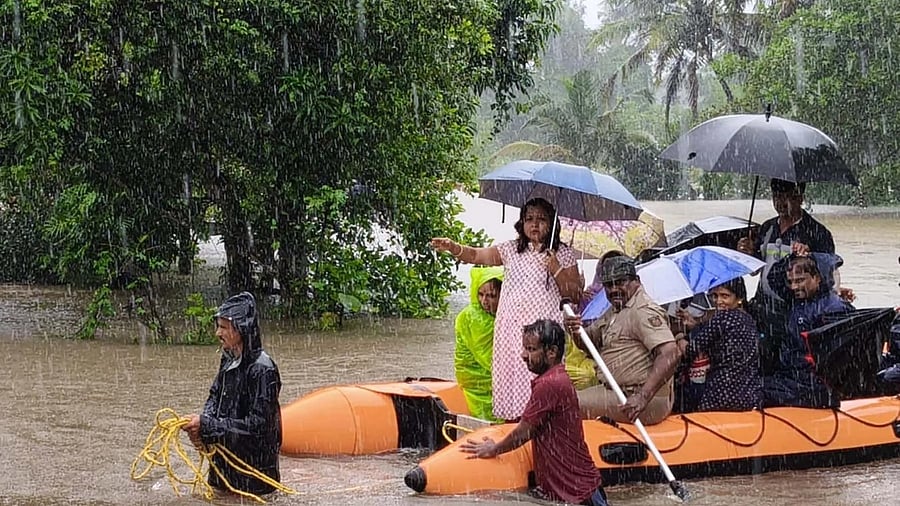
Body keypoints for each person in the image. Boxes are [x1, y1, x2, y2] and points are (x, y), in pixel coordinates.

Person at [432, 197, 582, 421]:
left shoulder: (563, 254)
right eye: (529, 219)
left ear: (552, 224)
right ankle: (513, 426)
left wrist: (556, 268)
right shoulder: (511, 250)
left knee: (539, 378)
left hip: (544, 332)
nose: (535, 225)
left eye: (541, 219)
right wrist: (454, 248)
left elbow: (575, 293)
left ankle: (539, 424)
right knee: (513, 380)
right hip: (511, 330)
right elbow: (476, 255)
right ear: (521, 224)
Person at [460, 319, 609, 506]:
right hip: (578, 489)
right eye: (525, 348)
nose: (523, 355)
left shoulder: (550, 384)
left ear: (552, 352)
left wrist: (494, 449)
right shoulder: (555, 378)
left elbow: (525, 431)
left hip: (578, 494)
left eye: (531, 349)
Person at [183, 292, 283, 495]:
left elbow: (258, 428)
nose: (217, 333)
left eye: (223, 327)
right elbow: (214, 396)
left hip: (253, 482)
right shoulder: (228, 359)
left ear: (241, 329)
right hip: (222, 473)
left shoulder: (263, 370)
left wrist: (209, 425)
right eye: (218, 326)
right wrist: (202, 428)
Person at [735, 179, 838, 373]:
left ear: (800, 197)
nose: (780, 203)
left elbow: (828, 276)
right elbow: (755, 269)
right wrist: (747, 253)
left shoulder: (817, 232)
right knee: (760, 360)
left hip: (794, 312)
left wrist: (811, 257)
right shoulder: (767, 228)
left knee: (787, 364)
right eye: (776, 196)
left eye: (786, 197)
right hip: (763, 309)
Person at [564, 256, 681, 425]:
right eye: (609, 285)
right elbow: (589, 346)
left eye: (620, 282)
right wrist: (575, 329)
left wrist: (643, 396)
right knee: (562, 399)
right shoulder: (616, 309)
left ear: (636, 281)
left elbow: (671, 354)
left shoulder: (642, 310)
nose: (613, 289)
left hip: (641, 399)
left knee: (565, 406)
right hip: (615, 390)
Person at [762, 254, 852, 408]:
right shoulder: (796, 300)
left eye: (800, 280)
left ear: (817, 278)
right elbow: (774, 278)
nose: (794, 287)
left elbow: (836, 357)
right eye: (791, 282)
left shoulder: (833, 308)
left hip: (811, 385)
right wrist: (794, 256)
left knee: (756, 389)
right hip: (789, 376)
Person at [678, 278, 761, 412]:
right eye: (715, 296)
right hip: (748, 392)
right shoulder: (748, 319)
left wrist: (681, 340)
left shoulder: (722, 318)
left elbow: (691, 350)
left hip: (721, 391)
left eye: (725, 296)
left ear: (739, 297)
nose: (718, 301)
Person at [565, 250, 626, 391]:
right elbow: (576, 326)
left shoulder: (625, 296)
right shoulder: (589, 295)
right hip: (588, 351)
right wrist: (578, 296)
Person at [455, 266, 503, 421]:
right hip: (476, 381)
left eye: (491, 296)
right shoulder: (474, 318)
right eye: (481, 294)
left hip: (487, 378)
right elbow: (489, 359)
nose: (484, 301)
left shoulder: (501, 315)